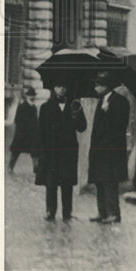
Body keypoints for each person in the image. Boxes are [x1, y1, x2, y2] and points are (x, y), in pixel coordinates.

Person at [35, 82, 86, 222]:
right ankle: (50, 211)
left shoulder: (74, 106)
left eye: (65, 86)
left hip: (68, 151)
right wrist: (41, 153)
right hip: (51, 151)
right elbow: (40, 133)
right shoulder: (45, 108)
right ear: (53, 88)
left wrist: (77, 114)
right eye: (58, 86)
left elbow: (82, 127)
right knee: (51, 184)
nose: (62, 89)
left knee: (67, 183)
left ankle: (67, 212)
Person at [87, 72, 130, 224]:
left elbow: (120, 125)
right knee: (100, 181)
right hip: (99, 150)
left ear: (106, 86)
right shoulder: (101, 101)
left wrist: (108, 112)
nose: (96, 88)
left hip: (112, 151)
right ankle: (103, 212)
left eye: (98, 85)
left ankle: (114, 214)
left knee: (110, 182)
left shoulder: (120, 101)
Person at [9, 87, 39, 174]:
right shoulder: (21, 106)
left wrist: (36, 132)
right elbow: (17, 120)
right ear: (27, 96)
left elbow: (35, 122)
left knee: (35, 153)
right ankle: (10, 167)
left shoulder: (34, 108)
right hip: (21, 134)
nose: (32, 97)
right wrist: (23, 129)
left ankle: (36, 170)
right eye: (30, 96)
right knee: (15, 152)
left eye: (33, 96)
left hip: (32, 135)